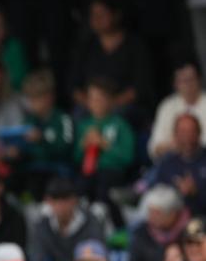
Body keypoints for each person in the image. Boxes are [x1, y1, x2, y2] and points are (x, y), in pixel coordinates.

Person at [70, 0, 152, 124]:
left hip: (123, 105)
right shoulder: (86, 47)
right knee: (78, 116)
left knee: (119, 117)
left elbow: (140, 86)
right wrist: (92, 104)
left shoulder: (135, 45)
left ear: (116, 15)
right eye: (93, 14)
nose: (97, 19)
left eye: (102, 14)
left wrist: (111, 103)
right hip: (91, 106)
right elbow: (74, 86)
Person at [75, 77, 135, 228]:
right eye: (92, 98)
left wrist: (104, 145)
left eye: (100, 98)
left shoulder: (121, 125)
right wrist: (83, 146)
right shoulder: (83, 126)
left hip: (112, 174)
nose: (96, 102)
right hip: (87, 174)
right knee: (80, 187)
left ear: (110, 101)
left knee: (104, 182)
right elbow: (75, 158)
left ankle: (108, 223)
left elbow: (127, 157)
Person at [31, 177, 105, 261]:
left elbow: (99, 260)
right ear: (48, 201)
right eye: (55, 200)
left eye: (65, 199)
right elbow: (36, 259)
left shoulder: (91, 224)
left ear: (74, 200)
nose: (60, 205)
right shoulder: (42, 225)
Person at [16, 70, 73, 199]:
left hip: (56, 170)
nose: (33, 103)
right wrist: (17, 150)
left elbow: (66, 149)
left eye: (36, 98)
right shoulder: (28, 121)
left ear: (49, 97)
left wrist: (42, 139)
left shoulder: (63, 119)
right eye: (30, 98)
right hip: (32, 170)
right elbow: (25, 153)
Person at [149, 59, 206, 160]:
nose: (188, 85)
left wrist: (189, 145)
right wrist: (178, 147)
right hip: (173, 163)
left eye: (191, 79)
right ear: (176, 84)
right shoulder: (167, 106)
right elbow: (155, 148)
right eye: (183, 81)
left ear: (199, 80)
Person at [150, 114, 206, 215]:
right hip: (171, 220)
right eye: (183, 132)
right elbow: (157, 192)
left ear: (199, 133)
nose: (188, 137)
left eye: (192, 131)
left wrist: (195, 192)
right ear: (175, 135)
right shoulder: (167, 162)